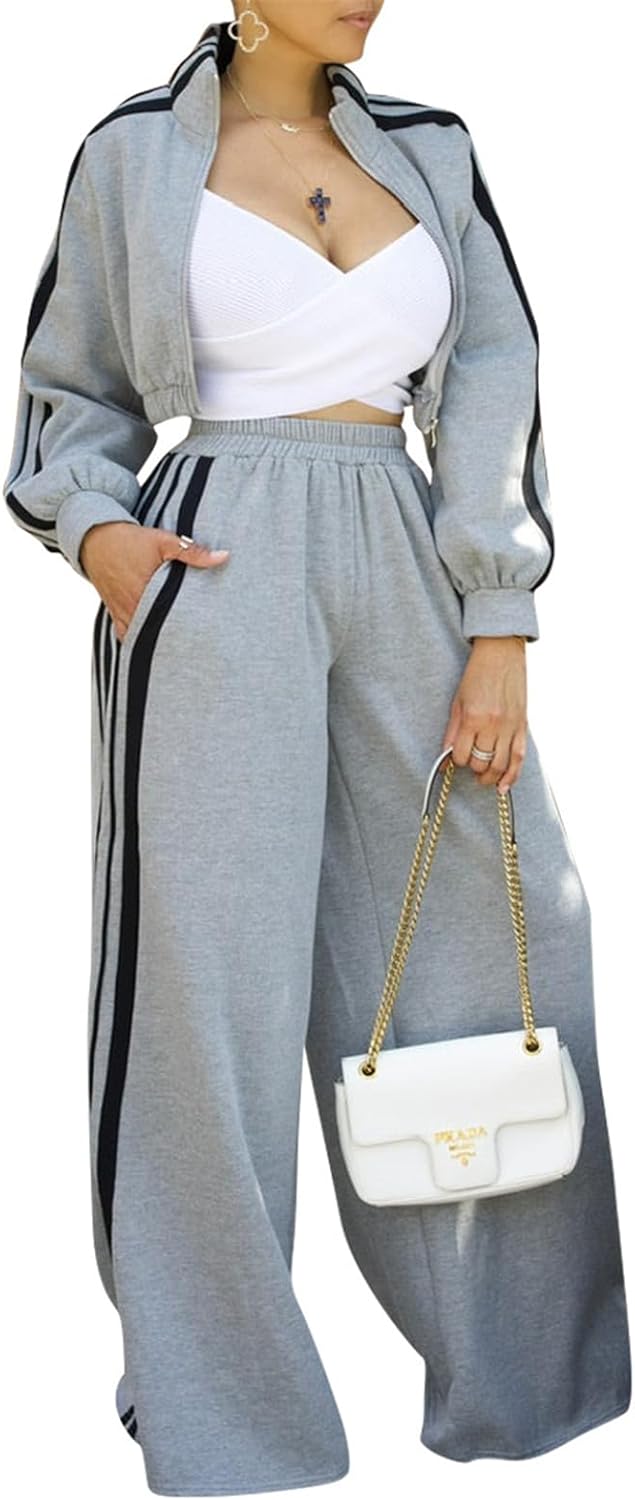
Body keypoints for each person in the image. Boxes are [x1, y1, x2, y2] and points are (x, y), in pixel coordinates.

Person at [3, 4, 631, 1494]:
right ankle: (231, 1421)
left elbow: (496, 376)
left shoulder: (434, 149)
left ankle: (524, 1378)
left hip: (408, 556)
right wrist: (98, 535)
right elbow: (66, 395)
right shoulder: (132, 155)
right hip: (214, 561)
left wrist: (500, 617)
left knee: (496, 947)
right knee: (206, 999)